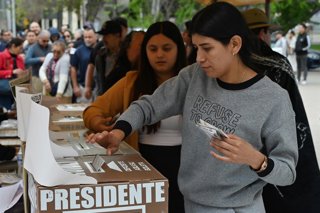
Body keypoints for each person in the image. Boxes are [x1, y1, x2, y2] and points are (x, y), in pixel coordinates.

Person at [87, 3, 298, 213]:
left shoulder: (273, 98)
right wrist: (118, 132)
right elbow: (148, 106)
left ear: (234, 44)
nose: (199, 58)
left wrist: (255, 159)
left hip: (241, 207)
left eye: (207, 48)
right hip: (192, 203)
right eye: (196, 48)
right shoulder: (194, 76)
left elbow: (287, 172)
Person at [84, 21, 186, 212]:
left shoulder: (194, 84)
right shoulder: (131, 82)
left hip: (185, 168)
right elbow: (93, 110)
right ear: (144, 51)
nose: (160, 54)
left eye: (167, 48)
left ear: (179, 49)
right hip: (141, 165)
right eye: (153, 49)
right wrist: (103, 126)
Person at [243, 8, 320, 213]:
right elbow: (294, 116)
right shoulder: (277, 65)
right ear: (262, 34)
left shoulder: (232, 65)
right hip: (275, 156)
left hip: (240, 157)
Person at [70, 28, 97, 103]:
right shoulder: (78, 51)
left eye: (90, 37)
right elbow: (73, 68)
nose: (88, 39)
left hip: (98, 87)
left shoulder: (101, 49)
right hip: (82, 87)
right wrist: (75, 86)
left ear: (96, 37)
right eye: (86, 37)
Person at [0, 38, 26, 109]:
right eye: (20, 48)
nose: (21, 50)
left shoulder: (20, 58)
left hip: (16, 86)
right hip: (4, 88)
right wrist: (11, 72)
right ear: (13, 46)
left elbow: (22, 70)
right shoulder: (1, 56)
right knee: (5, 109)